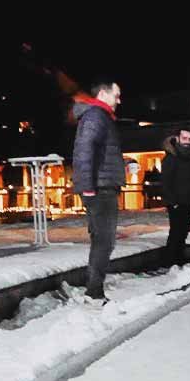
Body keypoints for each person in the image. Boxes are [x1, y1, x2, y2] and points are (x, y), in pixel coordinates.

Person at [70, 78, 125, 301]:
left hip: (102, 186)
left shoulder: (101, 117)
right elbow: (84, 151)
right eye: (116, 95)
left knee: (102, 241)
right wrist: (88, 189)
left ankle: (94, 290)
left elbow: (100, 153)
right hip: (99, 190)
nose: (119, 100)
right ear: (103, 94)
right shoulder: (96, 116)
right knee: (104, 241)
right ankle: (93, 293)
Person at [159, 128, 190, 268]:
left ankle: (178, 259)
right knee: (176, 232)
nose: (187, 142)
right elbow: (165, 182)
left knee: (183, 231)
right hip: (177, 202)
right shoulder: (171, 158)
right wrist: (172, 202)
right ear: (177, 139)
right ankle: (170, 262)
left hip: (188, 200)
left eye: (189, 139)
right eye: (184, 138)